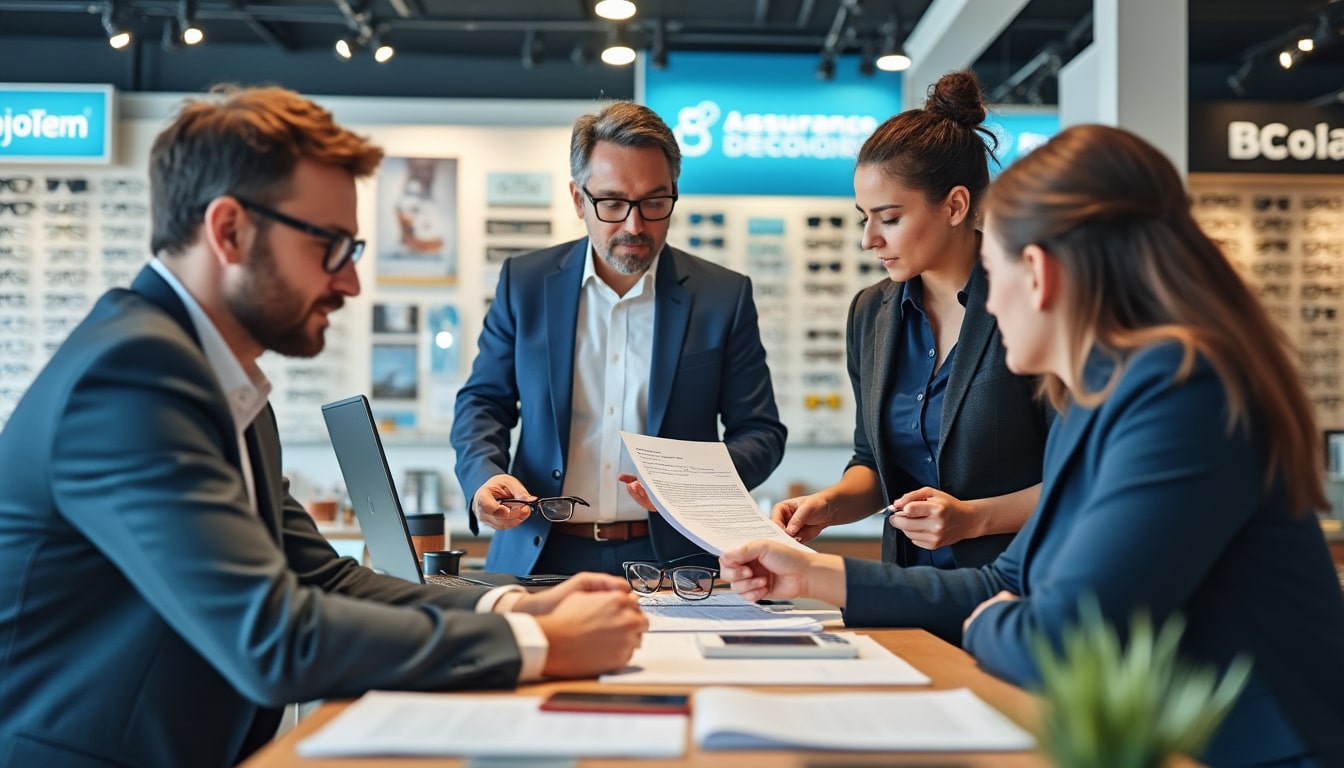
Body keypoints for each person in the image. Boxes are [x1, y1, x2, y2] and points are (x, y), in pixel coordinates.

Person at [0, 86, 647, 768]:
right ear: (229, 231)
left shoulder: (219, 377)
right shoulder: (133, 376)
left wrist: (516, 610)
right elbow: (273, 638)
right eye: (332, 248)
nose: (350, 286)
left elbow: (319, 578)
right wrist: (537, 648)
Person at [719, 124, 1344, 767]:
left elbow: (1062, 637)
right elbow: (1002, 582)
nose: (984, 302)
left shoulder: (1180, 393)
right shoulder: (1091, 397)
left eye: (993, 271)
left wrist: (998, 616)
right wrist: (812, 574)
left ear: (1037, 275)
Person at [452, 100, 786, 577]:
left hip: (676, 560)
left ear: (674, 194)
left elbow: (761, 433)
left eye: (654, 202)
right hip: (541, 551)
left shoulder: (723, 296)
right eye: (611, 203)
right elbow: (482, 402)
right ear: (577, 199)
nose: (634, 225)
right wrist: (483, 476)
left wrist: (687, 486)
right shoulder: (524, 283)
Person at [771, 71, 1050, 568]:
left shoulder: (1033, 301)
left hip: (1018, 591)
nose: (868, 239)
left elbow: (1081, 476)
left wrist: (972, 518)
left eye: (890, 218)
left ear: (955, 206)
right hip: (908, 591)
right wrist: (828, 505)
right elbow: (873, 464)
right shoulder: (870, 313)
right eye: (864, 217)